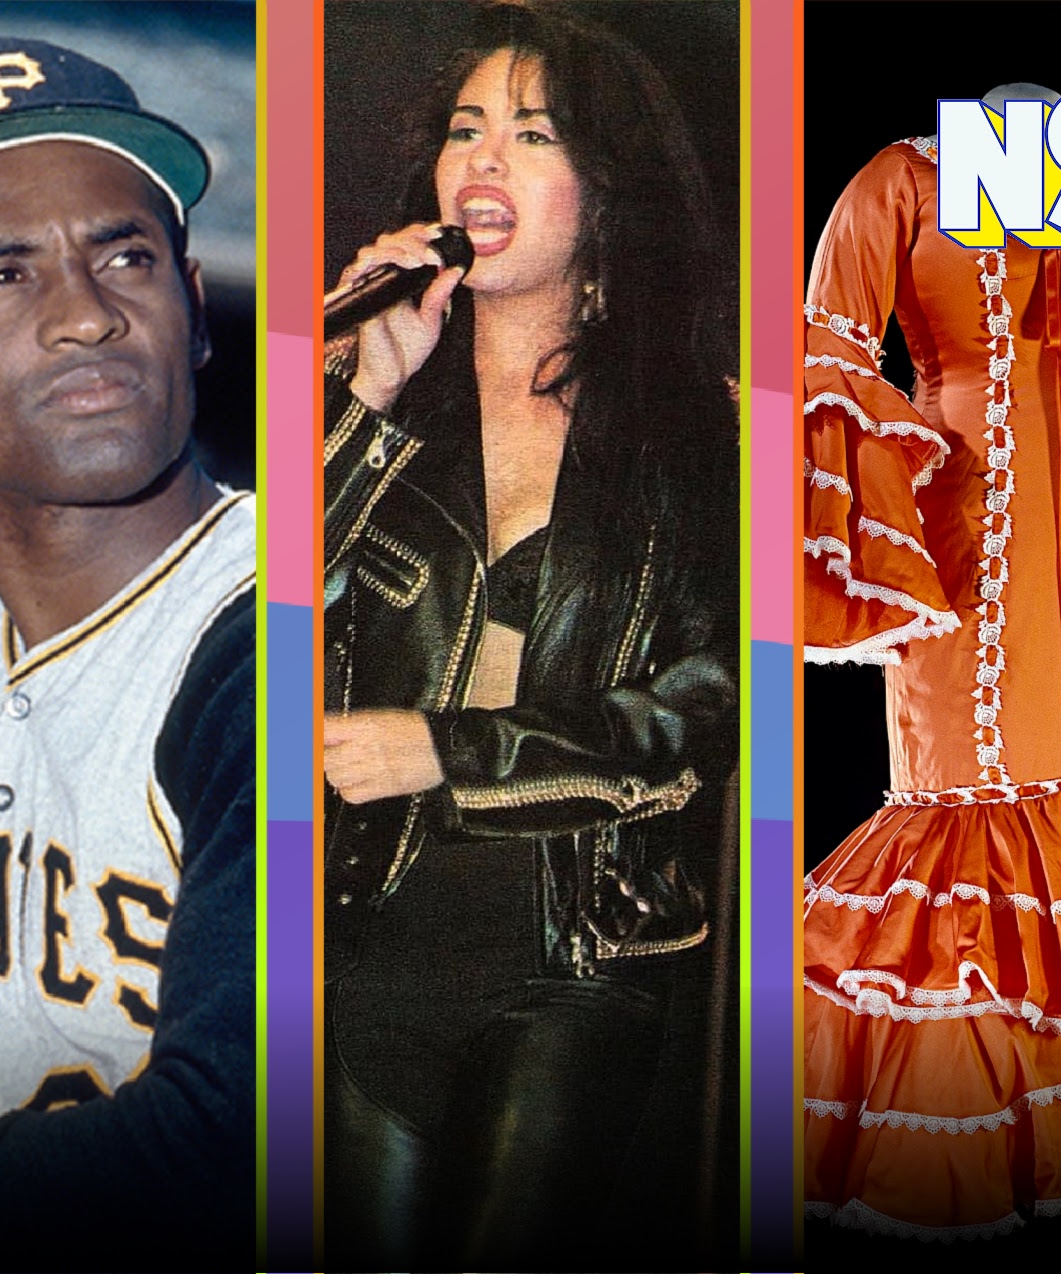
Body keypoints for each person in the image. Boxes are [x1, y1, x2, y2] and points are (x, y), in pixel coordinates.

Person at [321, 4, 738, 1267]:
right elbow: (238, 622)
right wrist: (362, 396)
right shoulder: (363, 398)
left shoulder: (699, 435)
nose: (480, 161)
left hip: (575, 954)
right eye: (463, 131)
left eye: (531, 133)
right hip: (359, 932)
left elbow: (699, 716)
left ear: (604, 193)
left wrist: (438, 747)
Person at [0, 37, 255, 1270]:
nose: (86, 313)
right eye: (5, 273)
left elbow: (232, 1163)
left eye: (124, 254)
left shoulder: (302, 631)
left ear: (190, 307)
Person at [801, 93, 1061, 1240]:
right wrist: (865, 531)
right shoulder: (900, 179)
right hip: (958, 528)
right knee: (960, 793)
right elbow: (826, 349)